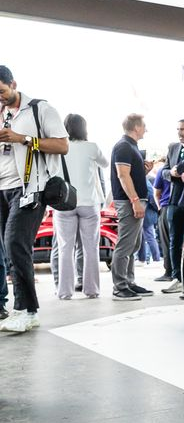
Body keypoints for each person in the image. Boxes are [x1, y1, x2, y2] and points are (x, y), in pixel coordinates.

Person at [0, 65, 69, 332]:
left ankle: (27, 310)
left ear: (13, 84)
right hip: (2, 189)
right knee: (9, 249)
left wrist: (23, 139)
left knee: (16, 243)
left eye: (2, 91)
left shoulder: (41, 109)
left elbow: (62, 145)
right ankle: (21, 309)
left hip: (30, 188)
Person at [53, 113, 108, 299]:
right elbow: (105, 164)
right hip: (89, 204)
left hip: (64, 204)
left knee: (65, 248)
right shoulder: (91, 147)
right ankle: (92, 290)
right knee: (91, 248)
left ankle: (64, 292)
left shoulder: (58, 148)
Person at [109, 113, 155, 301]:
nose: (146, 129)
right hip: (128, 201)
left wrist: (144, 171)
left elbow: (130, 174)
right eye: (143, 126)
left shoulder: (130, 146)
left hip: (133, 200)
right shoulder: (124, 146)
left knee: (133, 244)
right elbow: (122, 175)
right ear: (136, 127)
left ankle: (128, 282)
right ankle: (120, 287)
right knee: (125, 244)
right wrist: (135, 200)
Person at [161, 121, 184, 293]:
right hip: (174, 201)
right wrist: (173, 173)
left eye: (183, 129)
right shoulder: (173, 148)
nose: (179, 132)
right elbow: (164, 171)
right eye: (177, 129)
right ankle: (177, 278)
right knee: (174, 240)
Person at [138, 176, 161, 264]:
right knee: (143, 237)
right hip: (146, 212)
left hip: (147, 213)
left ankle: (156, 259)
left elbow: (151, 195)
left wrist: (157, 208)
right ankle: (142, 259)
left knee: (149, 236)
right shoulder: (143, 179)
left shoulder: (144, 180)